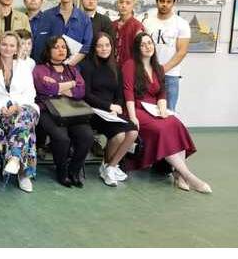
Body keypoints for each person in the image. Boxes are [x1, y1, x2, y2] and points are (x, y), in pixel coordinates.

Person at [122, 33, 210, 193]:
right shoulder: (130, 65)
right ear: (137, 48)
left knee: (175, 124)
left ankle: (179, 174)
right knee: (162, 129)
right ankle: (189, 177)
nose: (147, 47)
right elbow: (128, 93)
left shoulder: (158, 67)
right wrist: (133, 117)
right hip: (136, 109)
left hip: (154, 109)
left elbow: (161, 93)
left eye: (149, 43)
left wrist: (163, 110)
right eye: (143, 44)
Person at [0, 31, 39, 192]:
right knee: (24, 125)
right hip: (3, 109)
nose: (7, 48)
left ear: (17, 48)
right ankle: (23, 173)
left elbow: (30, 93)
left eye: (12, 45)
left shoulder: (24, 66)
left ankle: (14, 157)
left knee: (23, 116)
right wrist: (0, 107)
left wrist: (18, 106)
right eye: (4, 44)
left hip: (26, 106)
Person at [32, 36, 93, 188]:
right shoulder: (40, 69)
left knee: (87, 136)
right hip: (48, 111)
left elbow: (81, 91)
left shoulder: (72, 70)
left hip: (72, 111)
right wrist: (70, 84)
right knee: (62, 138)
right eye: (56, 47)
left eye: (64, 47)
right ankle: (62, 172)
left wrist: (58, 87)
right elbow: (44, 89)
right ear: (48, 50)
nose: (61, 50)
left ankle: (74, 171)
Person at [81, 32, 139, 187]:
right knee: (119, 135)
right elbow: (86, 95)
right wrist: (108, 106)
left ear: (112, 47)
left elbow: (119, 94)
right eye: (100, 46)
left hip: (112, 112)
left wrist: (116, 107)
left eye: (107, 45)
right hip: (94, 111)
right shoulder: (87, 66)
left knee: (133, 131)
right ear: (94, 48)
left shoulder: (116, 67)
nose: (104, 49)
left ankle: (110, 167)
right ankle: (108, 167)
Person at [142, 0, 190, 111]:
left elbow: (182, 51)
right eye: (162, 1)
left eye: (169, 2)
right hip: (148, 73)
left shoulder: (181, 23)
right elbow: (141, 47)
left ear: (173, 3)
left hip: (170, 75)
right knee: (147, 110)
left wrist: (163, 69)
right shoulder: (147, 22)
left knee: (168, 112)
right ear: (157, 1)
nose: (165, 4)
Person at [30, 0, 92, 65]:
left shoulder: (84, 18)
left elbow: (86, 46)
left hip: (73, 67)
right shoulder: (46, 16)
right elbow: (39, 43)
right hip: (48, 67)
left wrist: (69, 64)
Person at [112, 0, 145, 67]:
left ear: (133, 6)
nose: (123, 5)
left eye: (128, 3)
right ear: (117, 4)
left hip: (129, 68)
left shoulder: (137, 26)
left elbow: (141, 52)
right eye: (121, 2)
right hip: (112, 68)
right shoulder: (112, 24)